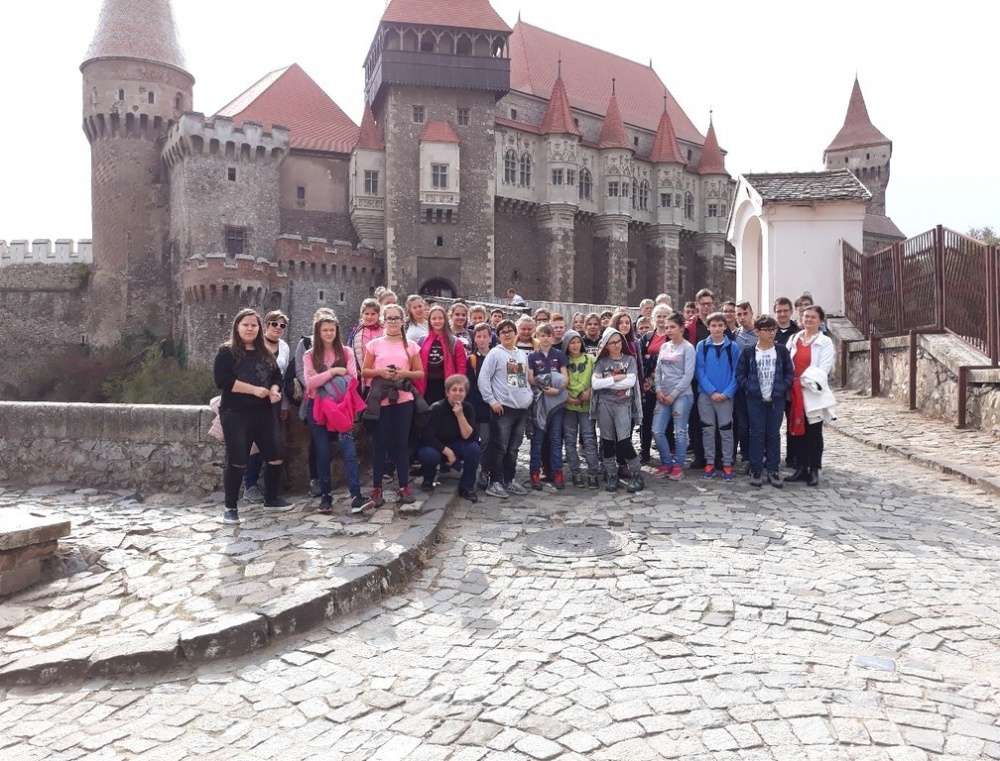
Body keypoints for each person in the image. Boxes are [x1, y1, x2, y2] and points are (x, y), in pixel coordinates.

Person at [213, 308, 288, 524]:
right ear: (237, 327)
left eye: (253, 325)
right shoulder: (226, 352)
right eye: (245, 325)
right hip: (236, 413)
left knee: (275, 456)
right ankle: (230, 508)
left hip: (263, 412)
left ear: (259, 328)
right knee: (237, 460)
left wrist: (274, 390)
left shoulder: (265, 352)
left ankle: (271, 499)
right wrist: (254, 390)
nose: (249, 329)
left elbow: (277, 377)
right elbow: (223, 381)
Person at [361, 303, 425, 506]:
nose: (393, 321)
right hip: (381, 400)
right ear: (384, 320)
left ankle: (404, 486)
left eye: (396, 318)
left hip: (403, 399)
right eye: (389, 318)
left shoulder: (411, 345)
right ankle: (377, 487)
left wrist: (404, 373)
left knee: (401, 444)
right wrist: (380, 372)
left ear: (402, 320)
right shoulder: (375, 344)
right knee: (380, 445)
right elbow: (364, 371)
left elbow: (419, 373)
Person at [303, 312, 366, 515]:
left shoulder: (346, 352)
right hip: (317, 407)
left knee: (349, 450)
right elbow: (309, 383)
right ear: (318, 332)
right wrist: (334, 372)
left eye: (332, 329)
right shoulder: (309, 355)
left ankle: (356, 496)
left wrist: (321, 376)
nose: (329, 333)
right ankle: (326, 497)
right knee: (322, 451)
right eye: (325, 330)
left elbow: (353, 378)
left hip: (341, 406)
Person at [737, 315, 794, 489]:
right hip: (755, 400)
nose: (771, 333)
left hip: (776, 399)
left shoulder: (781, 351)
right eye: (767, 330)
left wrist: (780, 388)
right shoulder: (749, 352)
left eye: (773, 329)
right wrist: (751, 388)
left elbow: (789, 374)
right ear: (757, 331)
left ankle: (773, 470)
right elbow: (740, 374)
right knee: (756, 434)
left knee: (773, 435)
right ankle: (756, 469)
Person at [477, 319, 533, 499]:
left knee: (513, 448)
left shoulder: (521, 354)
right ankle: (495, 482)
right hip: (503, 409)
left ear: (515, 333)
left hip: (521, 408)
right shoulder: (495, 353)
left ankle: (509, 479)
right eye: (503, 332)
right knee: (499, 447)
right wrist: (492, 401)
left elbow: (524, 379)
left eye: (510, 331)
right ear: (498, 335)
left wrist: (529, 397)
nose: (507, 334)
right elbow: (483, 378)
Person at [242, 310, 291, 504]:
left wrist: (284, 404)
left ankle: (269, 490)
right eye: (274, 324)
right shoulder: (255, 345)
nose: (278, 328)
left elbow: (282, 377)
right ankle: (250, 485)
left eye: (282, 325)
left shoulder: (284, 347)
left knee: (269, 444)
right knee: (253, 444)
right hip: (253, 400)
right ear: (265, 325)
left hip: (274, 402)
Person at [786, 305, 835, 487]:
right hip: (794, 392)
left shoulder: (825, 342)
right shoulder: (794, 339)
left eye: (813, 317)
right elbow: (786, 362)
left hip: (813, 392)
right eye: (806, 316)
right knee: (797, 430)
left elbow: (823, 368)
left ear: (820, 321)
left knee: (814, 432)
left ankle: (814, 468)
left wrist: (804, 382)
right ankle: (801, 467)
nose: (808, 320)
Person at [591, 327, 644, 493]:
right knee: (607, 442)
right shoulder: (601, 362)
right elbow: (595, 384)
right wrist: (617, 377)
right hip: (604, 405)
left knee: (624, 441)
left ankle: (636, 474)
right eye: (612, 343)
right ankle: (611, 474)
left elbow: (631, 382)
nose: (616, 345)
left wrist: (607, 380)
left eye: (619, 341)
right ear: (606, 345)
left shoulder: (630, 360)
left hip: (623, 404)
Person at [418, 375, 481, 502]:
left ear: (466, 393)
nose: (457, 393)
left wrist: (460, 415)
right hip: (437, 445)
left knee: (474, 449)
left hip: (458, 443)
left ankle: (467, 487)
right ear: (447, 392)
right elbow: (426, 436)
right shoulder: (437, 408)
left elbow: (469, 437)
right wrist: (448, 452)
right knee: (428, 454)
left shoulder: (468, 408)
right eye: (454, 390)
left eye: (461, 390)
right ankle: (428, 478)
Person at [695, 311, 740, 482]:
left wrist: (727, 392)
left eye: (720, 325)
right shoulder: (702, 346)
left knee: (726, 431)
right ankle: (709, 462)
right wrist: (711, 391)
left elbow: (736, 373)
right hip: (706, 396)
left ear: (725, 326)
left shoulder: (733, 347)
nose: (717, 328)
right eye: (713, 325)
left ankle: (727, 464)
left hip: (725, 396)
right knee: (707, 430)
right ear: (708, 327)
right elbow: (699, 371)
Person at [651, 311, 695, 481]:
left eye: (672, 327)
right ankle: (666, 463)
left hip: (682, 395)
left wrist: (674, 394)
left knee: (680, 432)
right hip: (663, 395)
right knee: (657, 431)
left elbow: (688, 375)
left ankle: (678, 465)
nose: (668, 330)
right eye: (666, 327)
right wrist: (658, 390)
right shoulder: (664, 347)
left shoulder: (688, 348)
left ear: (681, 328)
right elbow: (658, 371)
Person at [527, 323, 568, 490]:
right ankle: (535, 471)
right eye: (542, 335)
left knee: (556, 439)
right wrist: (546, 383)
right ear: (537, 336)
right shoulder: (532, 356)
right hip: (539, 403)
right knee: (537, 439)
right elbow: (530, 379)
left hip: (556, 402)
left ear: (553, 337)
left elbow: (565, 379)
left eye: (548, 335)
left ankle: (557, 471)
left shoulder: (559, 355)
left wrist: (557, 389)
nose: (545, 338)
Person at [562, 329, 599, 488]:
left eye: (578, 342)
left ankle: (592, 471)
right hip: (569, 406)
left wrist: (590, 392)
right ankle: (575, 471)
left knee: (589, 439)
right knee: (570, 439)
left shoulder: (590, 359)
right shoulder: (563, 361)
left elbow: (598, 379)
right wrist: (567, 397)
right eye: (572, 343)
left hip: (586, 406)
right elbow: (560, 382)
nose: (575, 345)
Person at [640, 305, 673, 467]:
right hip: (648, 384)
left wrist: (651, 357)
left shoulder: (672, 337)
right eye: (658, 316)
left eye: (664, 316)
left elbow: (671, 359)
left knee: (667, 420)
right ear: (653, 318)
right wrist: (654, 358)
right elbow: (641, 358)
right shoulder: (647, 337)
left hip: (667, 383)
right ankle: (644, 452)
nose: (661, 319)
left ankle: (667, 453)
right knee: (646, 419)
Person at [416, 304, 467, 406]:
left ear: (445, 320)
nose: (437, 321)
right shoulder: (421, 341)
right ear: (429, 321)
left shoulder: (454, 342)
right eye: (434, 318)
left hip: (446, 386)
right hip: (426, 386)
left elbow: (461, 367)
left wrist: (457, 388)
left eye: (440, 318)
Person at [465, 322, 494, 489]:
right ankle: (474, 470)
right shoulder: (472, 360)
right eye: (478, 336)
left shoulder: (496, 356)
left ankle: (485, 470)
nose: (482, 339)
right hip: (476, 407)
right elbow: (469, 385)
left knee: (489, 441)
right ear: (474, 339)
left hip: (494, 406)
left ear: (490, 338)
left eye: (485, 336)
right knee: (477, 441)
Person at [732, 300, 758, 469]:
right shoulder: (734, 335)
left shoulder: (760, 333)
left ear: (751, 313)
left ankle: (758, 455)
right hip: (740, 385)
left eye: (745, 313)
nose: (742, 317)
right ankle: (746, 456)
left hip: (757, 384)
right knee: (742, 424)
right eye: (739, 315)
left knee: (757, 423)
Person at [348, 299, 384, 395]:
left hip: (381, 376)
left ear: (378, 314)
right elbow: (350, 352)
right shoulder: (356, 332)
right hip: (362, 378)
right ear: (362, 314)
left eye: (373, 314)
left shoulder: (384, 331)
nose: (369, 317)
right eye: (366, 314)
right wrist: (355, 368)